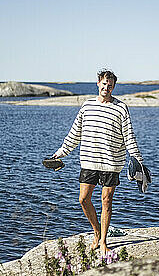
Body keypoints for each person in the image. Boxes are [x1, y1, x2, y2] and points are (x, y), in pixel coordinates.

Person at [52, 69, 143, 255]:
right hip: (89, 161)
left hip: (111, 162)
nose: (106, 87)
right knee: (83, 199)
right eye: (104, 84)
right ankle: (96, 231)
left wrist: (138, 160)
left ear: (113, 87)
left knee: (106, 201)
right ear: (98, 84)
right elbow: (74, 134)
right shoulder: (86, 106)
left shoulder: (121, 108)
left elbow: (129, 136)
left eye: (110, 85)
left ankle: (103, 241)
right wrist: (61, 153)